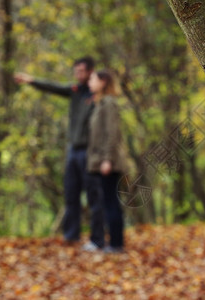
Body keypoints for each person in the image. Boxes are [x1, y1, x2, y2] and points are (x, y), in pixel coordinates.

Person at [14, 57, 102, 246]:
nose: (78, 75)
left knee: (94, 195)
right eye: (76, 71)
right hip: (73, 150)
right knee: (71, 193)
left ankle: (98, 237)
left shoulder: (98, 94)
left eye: (81, 71)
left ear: (90, 72)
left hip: (90, 151)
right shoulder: (75, 91)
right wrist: (31, 81)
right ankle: (71, 235)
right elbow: (54, 87)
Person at [85, 70, 128, 253]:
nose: (89, 82)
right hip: (101, 160)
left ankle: (116, 244)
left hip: (108, 161)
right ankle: (111, 242)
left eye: (92, 79)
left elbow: (112, 133)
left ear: (103, 82)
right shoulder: (99, 103)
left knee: (111, 202)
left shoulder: (109, 103)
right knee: (106, 201)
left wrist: (107, 159)